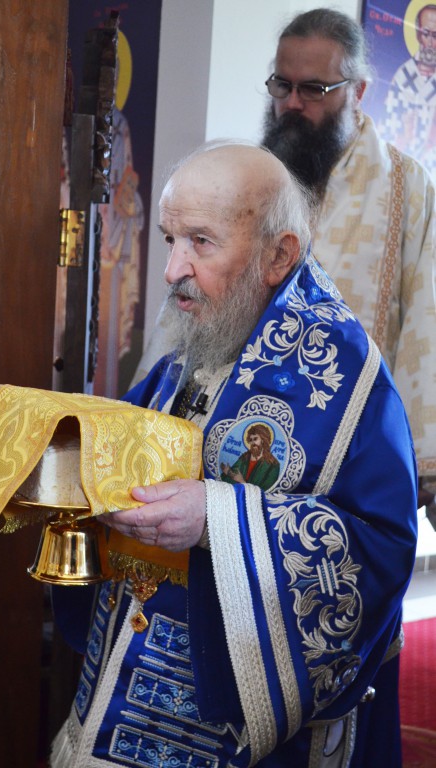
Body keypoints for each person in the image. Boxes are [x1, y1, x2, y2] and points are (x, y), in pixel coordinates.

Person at [50, 143, 418, 768]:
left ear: (279, 256)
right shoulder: (199, 344)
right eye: (171, 240)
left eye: (200, 241)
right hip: (123, 677)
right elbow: (121, 441)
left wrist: (215, 518)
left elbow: (380, 551)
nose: (173, 269)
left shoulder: (347, 382)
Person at [260, 8, 436, 514]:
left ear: (357, 92)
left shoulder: (406, 187)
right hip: (251, 440)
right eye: (282, 85)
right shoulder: (253, 180)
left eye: (313, 89)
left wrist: (422, 459)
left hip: (355, 452)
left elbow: (426, 322)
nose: (293, 104)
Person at [381, 4, 436, 176]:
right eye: (426, 34)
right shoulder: (403, 77)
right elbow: (386, 131)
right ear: (418, 35)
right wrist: (404, 135)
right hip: (400, 171)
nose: (431, 43)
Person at [221, 422, 280, 490]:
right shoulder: (245, 458)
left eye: (255, 439)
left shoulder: (273, 465)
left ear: (263, 439)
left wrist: (241, 481)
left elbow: (264, 491)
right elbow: (229, 477)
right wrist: (228, 472)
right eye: (250, 440)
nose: (252, 443)